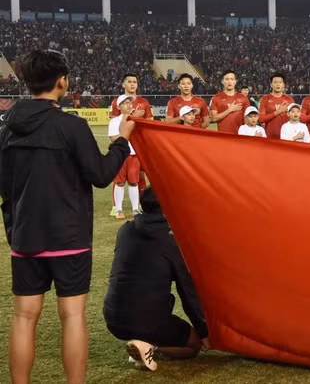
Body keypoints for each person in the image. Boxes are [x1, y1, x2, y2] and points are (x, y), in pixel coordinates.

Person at [1, 50, 132, 384]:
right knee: (72, 316)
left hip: (26, 238)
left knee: (23, 318)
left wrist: (15, 230)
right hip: (68, 239)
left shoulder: (8, 129)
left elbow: (5, 187)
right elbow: (101, 174)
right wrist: (121, 144)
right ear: (62, 82)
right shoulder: (71, 125)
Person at [103, 188, 209, 372]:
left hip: (113, 316)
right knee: (194, 346)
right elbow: (187, 291)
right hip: (149, 318)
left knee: (146, 314)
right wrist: (204, 330)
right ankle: (149, 348)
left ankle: (142, 343)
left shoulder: (125, 230)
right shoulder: (172, 240)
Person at [109, 95, 141, 219]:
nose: (128, 105)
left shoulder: (136, 120)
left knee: (134, 183)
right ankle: (118, 209)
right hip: (120, 156)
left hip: (133, 156)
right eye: (125, 103)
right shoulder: (114, 121)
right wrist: (126, 133)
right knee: (119, 183)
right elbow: (113, 139)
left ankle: (135, 209)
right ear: (119, 106)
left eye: (130, 102)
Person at [210, 70, 250, 134]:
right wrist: (230, 110)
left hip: (240, 136)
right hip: (223, 136)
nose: (229, 81)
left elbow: (248, 120)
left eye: (232, 79)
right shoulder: (216, 98)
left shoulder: (243, 98)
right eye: (227, 79)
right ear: (222, 81)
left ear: (235, 81)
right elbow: (213, 118)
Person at [259, 73, 294, 141]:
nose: (278, 84)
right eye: (275, 82)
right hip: (269, 137)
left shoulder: (290, 100)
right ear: (271, 84)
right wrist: (278, 111)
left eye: (280, 82)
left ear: (284, 85)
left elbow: (295, 119)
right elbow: (261, 119)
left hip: (287, 137)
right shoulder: (264, 99)